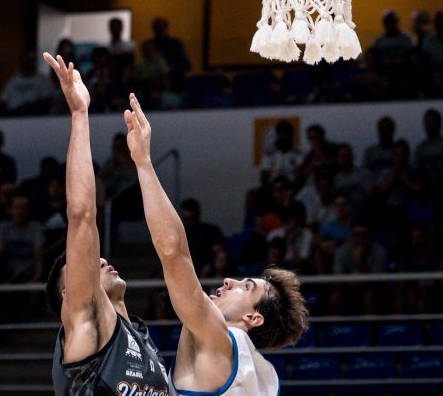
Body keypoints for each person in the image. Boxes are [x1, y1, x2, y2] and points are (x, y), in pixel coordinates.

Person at [124, 92, 308, 394]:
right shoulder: (257, 370)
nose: (229, 281)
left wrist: (143, 163)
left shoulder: (222, 341)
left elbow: (173, 251)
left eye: (246, 287)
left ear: (253, 318)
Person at [42, 53, 168, 395]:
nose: (97, 259)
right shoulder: (85, 324)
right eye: (81, 267)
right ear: (70, 294)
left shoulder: (142, 342)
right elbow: (82, 214)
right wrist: (80, 114)